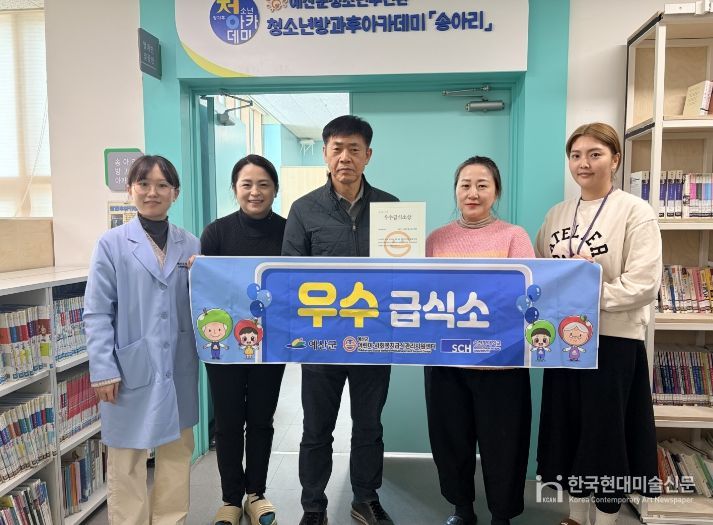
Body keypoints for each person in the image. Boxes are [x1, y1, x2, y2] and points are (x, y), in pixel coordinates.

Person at [535, 123, 662, 525]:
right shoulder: (557, 214)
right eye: (576, 155)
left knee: (606, 436)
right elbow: (541, 275)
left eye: (595, 154)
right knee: (569, 432)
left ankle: (606, 518)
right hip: (564, 342)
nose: (583, 163)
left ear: (615, 160)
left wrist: (586, 293)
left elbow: (643, 284)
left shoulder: (635, 211)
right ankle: (575, 515)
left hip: (613, 340)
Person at [282, 115, 398, 525]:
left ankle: (365, 499)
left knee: (369, 426)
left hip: (375, 339)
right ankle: (313, 506)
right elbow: (289, 276)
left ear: (368, 155)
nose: (345, 157)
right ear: (325, 154)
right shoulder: (303, 209)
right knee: (316, 429)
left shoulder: (392, 209)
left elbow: (406, 274)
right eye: (337, 149)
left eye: (354, 149)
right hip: (321, 341)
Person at [84, 155, 199, 525]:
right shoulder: (111, 244)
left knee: (176, 452)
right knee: (127, 457)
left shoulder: (190, 244)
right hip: (129, 364)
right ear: (130, 189)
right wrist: (103, 369)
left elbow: (204, 305)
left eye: (162, 185)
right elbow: (97, 311)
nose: (153, 192)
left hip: (177, 362)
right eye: (144, 184)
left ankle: (170, 519)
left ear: (175, 193)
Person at [424, 156, 533, 525]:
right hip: (446, 361)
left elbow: (527, 295)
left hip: (501, 363)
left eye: (482, 185)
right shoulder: (436, 239)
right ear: (456, 191)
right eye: (465, 185)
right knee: (450, 441)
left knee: (504, 443)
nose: (473, 193)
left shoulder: (515, 236)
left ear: (496, 192)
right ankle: (462, 508)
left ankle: (502, 514)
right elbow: (421, 294)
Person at [200, 154, 287, 525]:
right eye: (246, 184)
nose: (255, 192)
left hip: (272, 342)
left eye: (263, 184)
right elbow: (205, 290)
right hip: (224, 346)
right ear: (234, 189)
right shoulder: (216, 233)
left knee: (262, 419)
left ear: (275, 190)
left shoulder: (289, 231)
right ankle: (230, 499)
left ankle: (256, 494)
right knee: (228, 422)